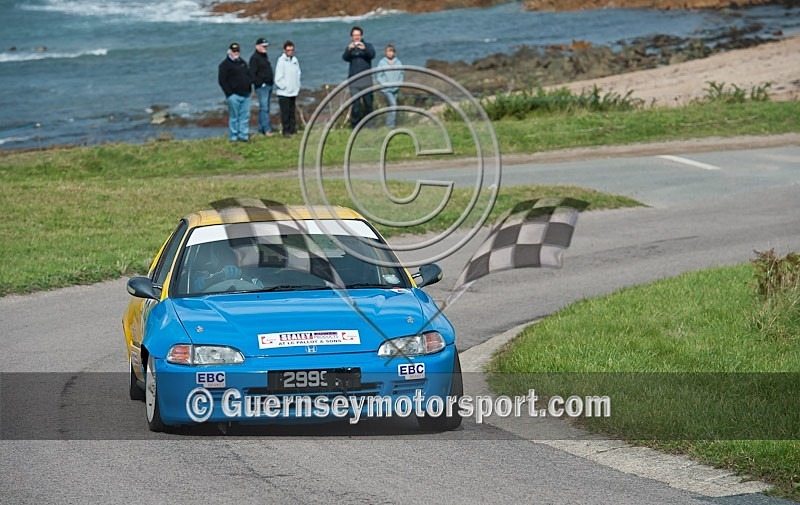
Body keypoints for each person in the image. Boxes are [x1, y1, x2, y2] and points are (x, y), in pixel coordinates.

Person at [342, 26, 375, 128]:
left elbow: (372, 55)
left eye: (358, 35)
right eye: (354, 35)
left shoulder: (368, 46)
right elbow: (345, 58)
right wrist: (349, 50)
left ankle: (371, 125)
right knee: (356, 106)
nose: (356, 37)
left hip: (366, 81)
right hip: (354, 81)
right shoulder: (350, 48)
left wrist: (364, 49)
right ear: (351, 37)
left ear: (361, 36)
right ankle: (355, 126)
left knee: (368, 104)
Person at [217, 42, 252, 142]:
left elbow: (248, 75)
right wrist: (229, 94)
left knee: (245, 117)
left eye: (237, 51)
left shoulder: (242, 62)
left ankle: (243, 136)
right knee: (234, 117)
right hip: (233, 95)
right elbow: (222, 80)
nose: (236, 53)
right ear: (229, 52)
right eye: (234, 51)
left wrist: (249, 87)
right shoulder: (225, 65)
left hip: (246, 94)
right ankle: (233, 137)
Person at [274, 40, 301, 138]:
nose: (290, 52)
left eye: (292, 50)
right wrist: (285, 86)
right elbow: (277, 78)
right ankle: (286, 131)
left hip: (293, 91)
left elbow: (298, 73)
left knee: (292, 112)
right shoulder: (281, 61)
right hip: (284, 93)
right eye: (288, 50)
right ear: (284, 50)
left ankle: (293, 129)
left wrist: (297, 86)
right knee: (285, 113)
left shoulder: (295, 60)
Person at [249, 37, 275, 136]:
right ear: (257, 46)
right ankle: (267, 129)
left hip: (268, 85)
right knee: (264, 108)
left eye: (266, 46)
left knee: (265, 108)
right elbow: (252, 74)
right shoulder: (254, 58)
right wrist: (260, 83)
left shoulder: (264, 56)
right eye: (263, 46)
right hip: (262, 87)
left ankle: (261, 129)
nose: (265, 48)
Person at [375, 44, 404, 129]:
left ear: (394, 52)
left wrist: (399, 83)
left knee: (391, 107)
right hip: (386, 89)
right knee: (393, 105)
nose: (390, 53)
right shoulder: (382, 62)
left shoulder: (398, 62)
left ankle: (388, 124)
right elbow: (379, 76)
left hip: (395, 88)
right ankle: (391, 125)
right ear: (385, 52)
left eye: (391, 51)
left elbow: (401, 73)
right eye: (388, 51)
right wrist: (384, 84)